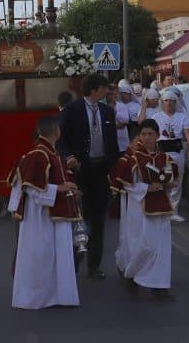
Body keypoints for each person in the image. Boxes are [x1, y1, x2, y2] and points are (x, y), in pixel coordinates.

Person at [8, 115, 81, 309]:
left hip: (50, 213)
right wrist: (61, 189)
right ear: (57, 131)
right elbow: (31, 189)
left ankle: (54, 295)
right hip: (39, 216)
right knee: (40, 255)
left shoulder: (50, 153)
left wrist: (68, 189)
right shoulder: (39, 155)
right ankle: (36, 297)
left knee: (50, 255)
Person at [58, 74, 121, 280]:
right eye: (105, 88)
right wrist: (68, 156)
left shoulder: (107, 111)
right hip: (80, 171)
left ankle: (94, 265)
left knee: (98, 220)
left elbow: (113, 143)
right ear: (94, 90)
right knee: (78, 219)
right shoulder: (72, 110)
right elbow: (61, 140)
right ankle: (74, 263)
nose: (108, 92)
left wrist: (115, 168)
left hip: (101, 169)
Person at [111, 119, 176, 300]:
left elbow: (172, 179)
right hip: (138, 207)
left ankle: (160, 285)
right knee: (142, 245)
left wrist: (169, 183)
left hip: (162, 206)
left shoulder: (165, 157)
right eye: (143, 134)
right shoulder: (133, 158)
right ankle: (131, 273)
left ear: (157, 136)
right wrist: (147, 188)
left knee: (162, 247)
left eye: (151, 134)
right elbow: (128, 184)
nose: (146, 138)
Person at [152, 90, 189, 223]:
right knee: (162, 179)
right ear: (162, 102)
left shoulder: (182, 117)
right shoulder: (156, 117)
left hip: (177, 153)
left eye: (171, 101)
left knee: (176, 181)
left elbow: (187, 133)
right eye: (166, 100)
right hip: (161, 153)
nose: (169, 103)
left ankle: (173, 211)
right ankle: (162, 208)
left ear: (176, 102)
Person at [108, 84, 131, 158]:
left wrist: (114, 112)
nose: (110, 96)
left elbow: (126, 120)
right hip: (110, 145)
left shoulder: (121, 106)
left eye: (112, 94)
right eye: (108, 94)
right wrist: (116, 126)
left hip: (123, 144)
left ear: (116, 94)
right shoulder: (101, 106)